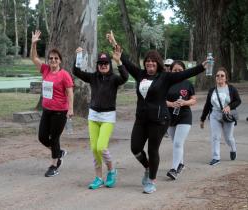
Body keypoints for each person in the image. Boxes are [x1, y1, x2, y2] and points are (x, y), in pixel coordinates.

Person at [107, 31, 207, 194]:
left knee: (153, 150)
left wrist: (202, 67)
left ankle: (151, 181)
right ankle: (148, 167)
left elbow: (185, 73)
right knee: (135, 148)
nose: (150, 65)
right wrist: (114, 42)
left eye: (153, 62)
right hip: (141, 119)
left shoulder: (165, 77)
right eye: (148, 62)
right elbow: (123, 59)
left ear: (158, 64)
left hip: (159, 120)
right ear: (145, 63)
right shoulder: (140, 74)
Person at [73, 47, 128, 189]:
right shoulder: (93, 77)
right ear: (98, 65)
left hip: (108, 117)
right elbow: (76, 72)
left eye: (106, 63)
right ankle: (98, 177)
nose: (103, 65)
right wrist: (79, 56)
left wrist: (119, 62)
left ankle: (111, 170)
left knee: (101, 147)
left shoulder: (115, 79)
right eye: (100, 63)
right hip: (93, 116)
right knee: (94, 149)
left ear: (109, 65)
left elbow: (125, 77)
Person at [30, 30, 74, 177]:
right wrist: (33, 43)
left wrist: (70, 109)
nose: (53, 61)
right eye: (51, 58)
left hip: (60, 112)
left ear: (60, 60)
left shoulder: (64, 75)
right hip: (47, 110)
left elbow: (70, 93)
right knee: (42, 137)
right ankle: (59, 152)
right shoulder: (46, 70)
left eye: (56, 58)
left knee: (54, 138)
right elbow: (34, 58)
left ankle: (54, 165)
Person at [200, 67, 241, 166]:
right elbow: (207, 105)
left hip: (227, 115)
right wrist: (202, 119)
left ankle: (233, 148)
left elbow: (238, 101)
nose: (219, 77)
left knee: (228, 138)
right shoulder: (212, 90)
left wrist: (229, 107)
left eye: (222, 75)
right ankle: (216, 157)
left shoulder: (231, 89)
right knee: (215, 137)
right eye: (217, 75)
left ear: (226, 78)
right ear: (215, 78)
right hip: (215, 115)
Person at [165, 60, 196, 180]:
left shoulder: (188, 83)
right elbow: (160, 100)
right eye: (175, 70)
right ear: (170, 71)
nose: (177, 72)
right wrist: (171, 104)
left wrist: (184, 102)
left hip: (185, 116)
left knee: (178, 143)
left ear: (184, 71)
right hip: (170, 117)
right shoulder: (166, 83)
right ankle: (181, 164)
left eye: (180, 70)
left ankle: (174, 169)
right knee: (176, 143)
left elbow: (193, 100)